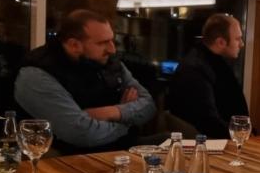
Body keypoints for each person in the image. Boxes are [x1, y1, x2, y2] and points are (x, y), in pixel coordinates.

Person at [14, 9, 156, 153]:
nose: (112, 49)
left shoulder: (108, 61)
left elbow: (149, 105)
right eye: (102, 43)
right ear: (74, 45)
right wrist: (127, 122)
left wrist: (112, 112)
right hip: (69, 157)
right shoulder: (36, 74)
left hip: (121, 147)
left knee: (169, 142)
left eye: (112, 40)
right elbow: (82, 133)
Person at [167, 13, 248, 139]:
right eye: (238, 39)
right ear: (220, 42)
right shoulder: (194, 70)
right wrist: (243, 135)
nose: (241, 44)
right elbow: (209, 123)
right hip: (212, 143)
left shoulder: (212, 61)